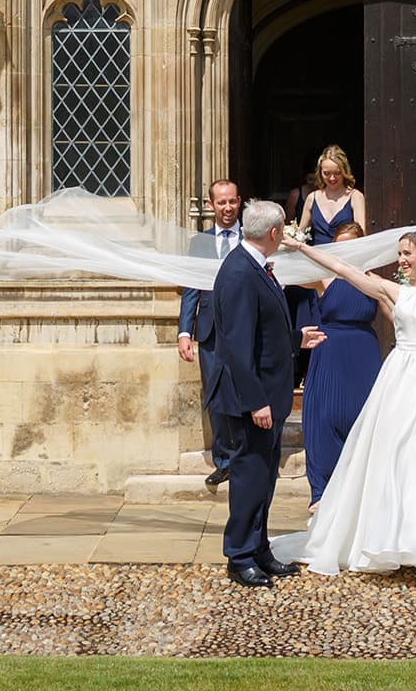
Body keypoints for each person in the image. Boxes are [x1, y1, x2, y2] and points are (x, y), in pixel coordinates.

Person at [271, 229, 416, 579]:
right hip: (401, 377)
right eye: (400, 253)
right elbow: (342, 269)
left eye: (407, 254)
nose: (400, 259)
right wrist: (300, 247)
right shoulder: (393, 290)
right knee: (396, 453)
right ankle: (390, 535)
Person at [203, 199, 323, 588]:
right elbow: (236, 345)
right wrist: (256, 401)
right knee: (249, 475)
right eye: (284, 228)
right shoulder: (239, 272)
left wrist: (294, 338)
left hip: (267, 394)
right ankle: (239, 556)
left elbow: (259, 334)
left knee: (264, 476)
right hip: (248, 399)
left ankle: (259, 548)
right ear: (274, 233)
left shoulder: (257, 268)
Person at [297, 220, 384, 509]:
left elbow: (397, 311)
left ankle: (360, 491)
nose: (345, 250)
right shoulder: (323, 276)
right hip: (329, 348)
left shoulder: (371, 278)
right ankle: (321, 491)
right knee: (322, 417)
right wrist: (292, 242)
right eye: (340, 245)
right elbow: (285, 273)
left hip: (363, 351)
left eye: (351, 244)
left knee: (362, 417)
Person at [177, 180, 245, 488]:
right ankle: (224, 460)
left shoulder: (252, 238)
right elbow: (191, 288)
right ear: (211, 205)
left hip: (246, 329)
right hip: (211, 330)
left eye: (232, 202)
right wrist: (184, 332)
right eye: (221, 203)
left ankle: (246, 457)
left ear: (239, 201)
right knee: (215, 395)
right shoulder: (200, 243)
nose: (228, 208)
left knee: (246, 392)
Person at [301, 145, 367, 244]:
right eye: (326, 173)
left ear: (344, 171)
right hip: (317, 255)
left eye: (337, 173)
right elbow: (300, 234)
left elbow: (362, 234)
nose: (332, 178)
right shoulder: (312, 198)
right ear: (320, 172)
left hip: (344, 255)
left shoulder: (355, 197)